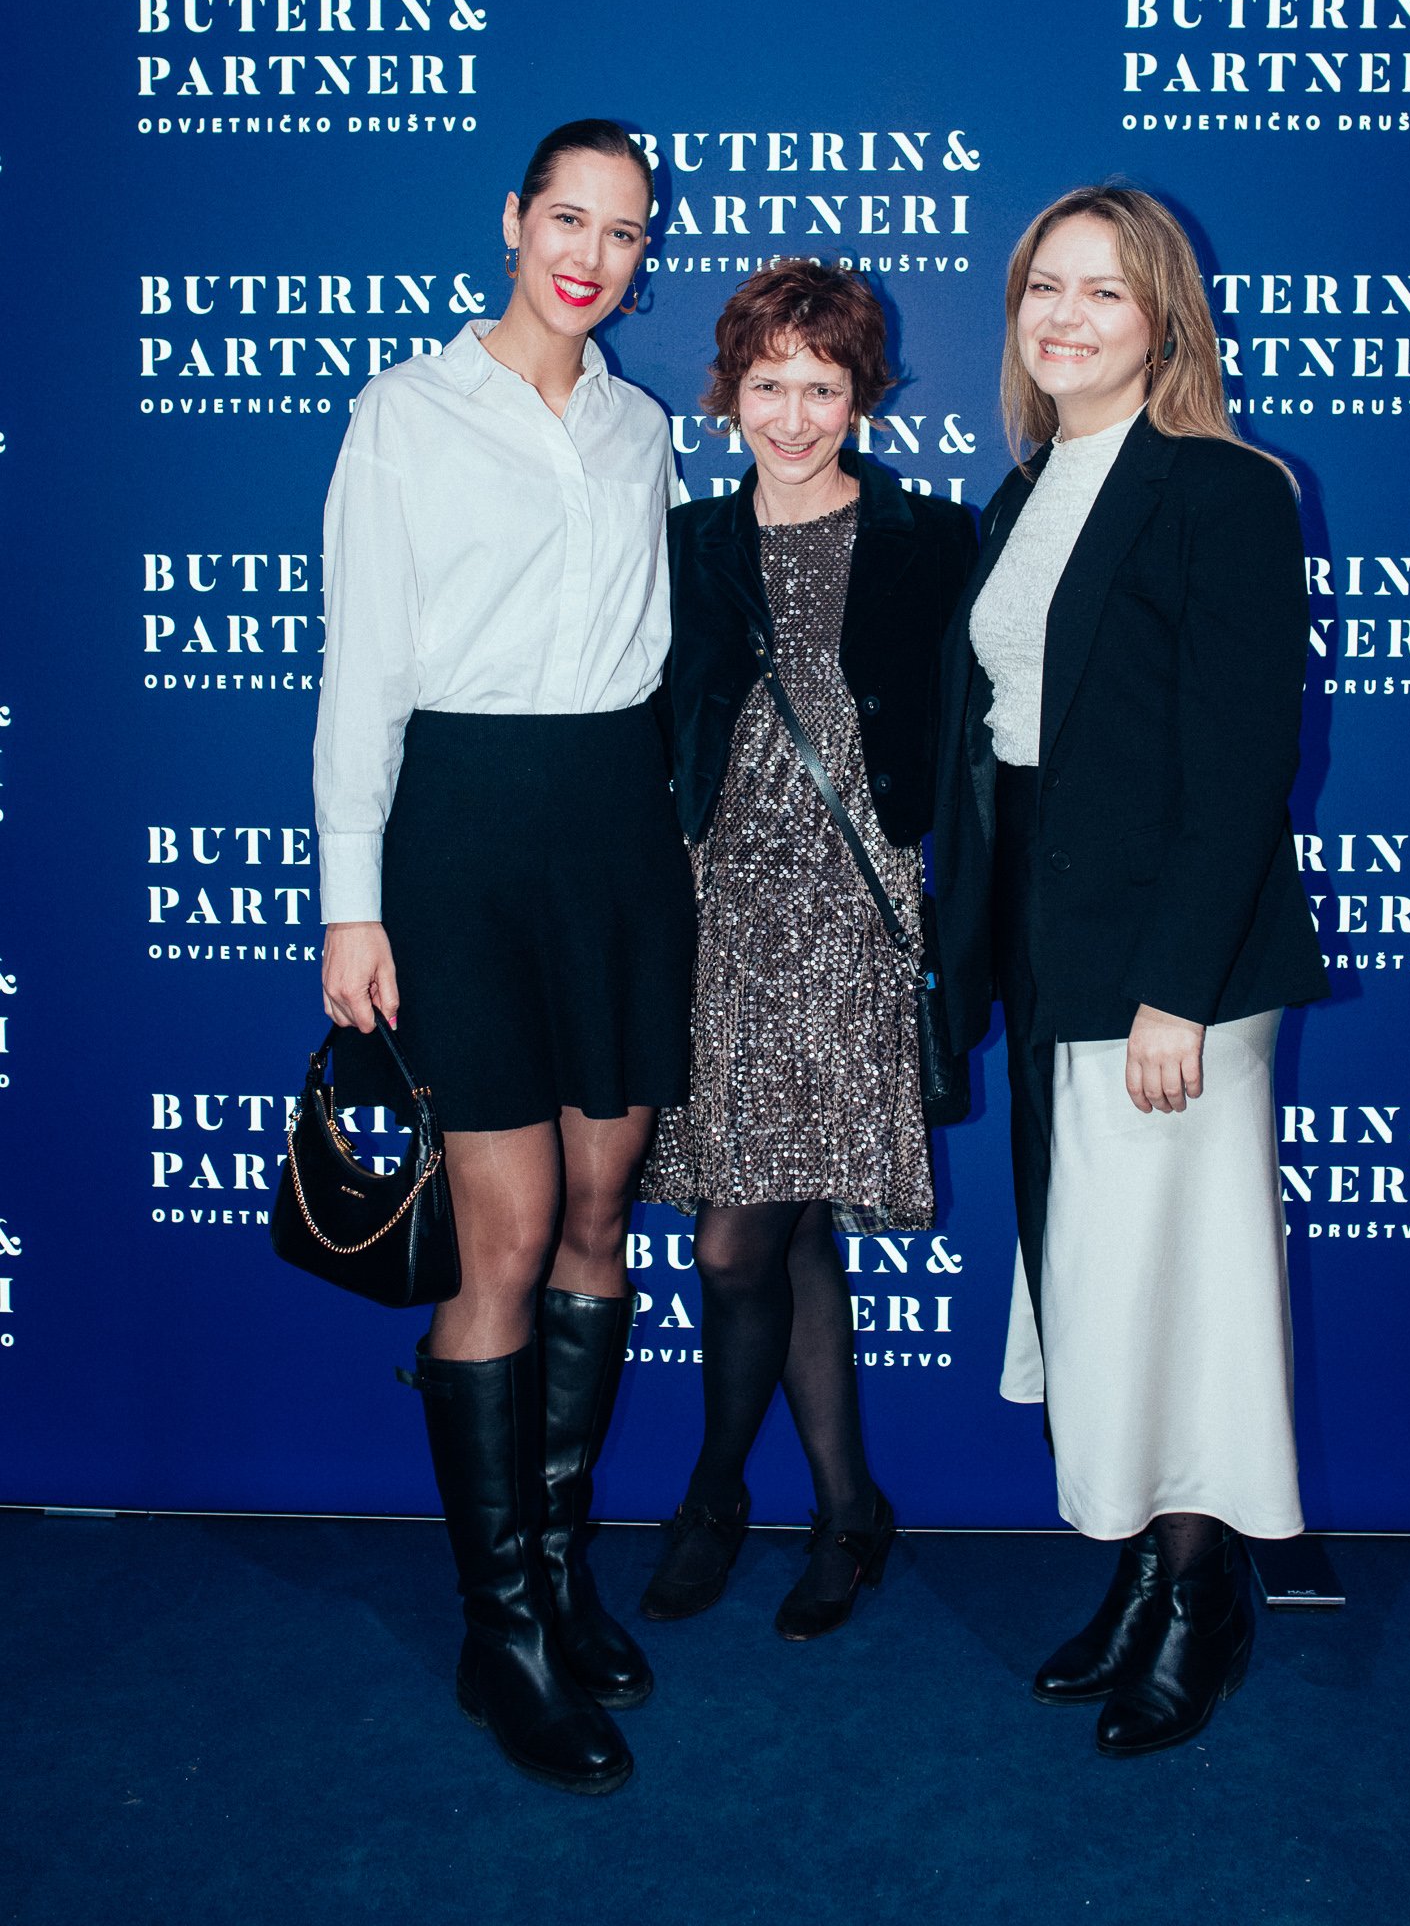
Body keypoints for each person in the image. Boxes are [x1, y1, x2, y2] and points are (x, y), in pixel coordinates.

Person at [313, 119, 693, 1795]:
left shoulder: (642, 426)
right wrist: (352, 896)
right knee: (510, 1237)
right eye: (568, 218)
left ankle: (561, 1567)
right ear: (514, 221)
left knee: (605, 1213)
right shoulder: (405, 412)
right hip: (458, 842)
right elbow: (361, 670)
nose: (591, 253)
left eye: (623, 231)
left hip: (615, 839)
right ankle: (502, 1633)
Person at [933, 186, 1330, 1757]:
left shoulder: (1224, 488)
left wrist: (1178, 986)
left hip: (1174, 968)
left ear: (1164, 315)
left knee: (1178, 1284)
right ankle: (1135, 1572)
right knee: (1087, 1272)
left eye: (1104, 290)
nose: (1067, 315)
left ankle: (1200, 1594)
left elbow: (1242, 765)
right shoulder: (1023, 489)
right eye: (1045, 286)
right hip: (1047, 943)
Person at [638, 260, 977, 1639]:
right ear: (729, 391)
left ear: (861, 392)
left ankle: (716, 1492)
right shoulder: (683, 545)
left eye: (821, 387)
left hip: (853, 916)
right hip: (718, 918)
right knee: (782, 1236)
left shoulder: (937, 541)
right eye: (768, 384)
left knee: (738, 1244)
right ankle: (847, 1507)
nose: (792, 414)